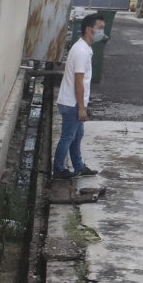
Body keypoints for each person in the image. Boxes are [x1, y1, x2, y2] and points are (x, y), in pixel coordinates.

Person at [54, 13, 101, 179]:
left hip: (73, 102)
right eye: (100, 28)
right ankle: (59, 169)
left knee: (77, 135)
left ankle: (79, 166)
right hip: (72, 103)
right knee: (68, 136)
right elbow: (78, 82)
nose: (102, 32)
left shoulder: (84, 48)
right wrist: (81, 108)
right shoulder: (81, 51)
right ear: (89, 30)